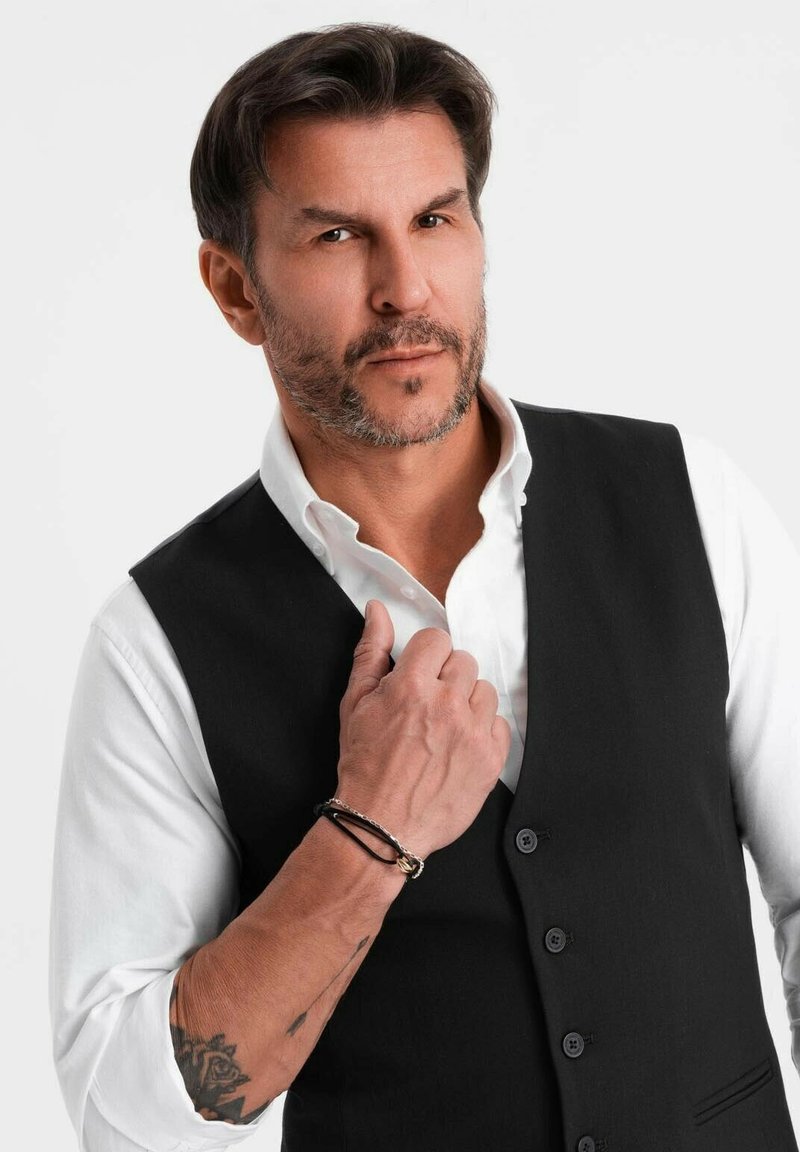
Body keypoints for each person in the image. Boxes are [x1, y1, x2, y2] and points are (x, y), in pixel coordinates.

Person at [49, 21, 800, 1152]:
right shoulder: (156, 642)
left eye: (435, 221)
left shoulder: (689, 501)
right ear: (235, 289)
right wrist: (366, 835)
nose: (405, 288)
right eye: (338, 235)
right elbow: (130, 1117)